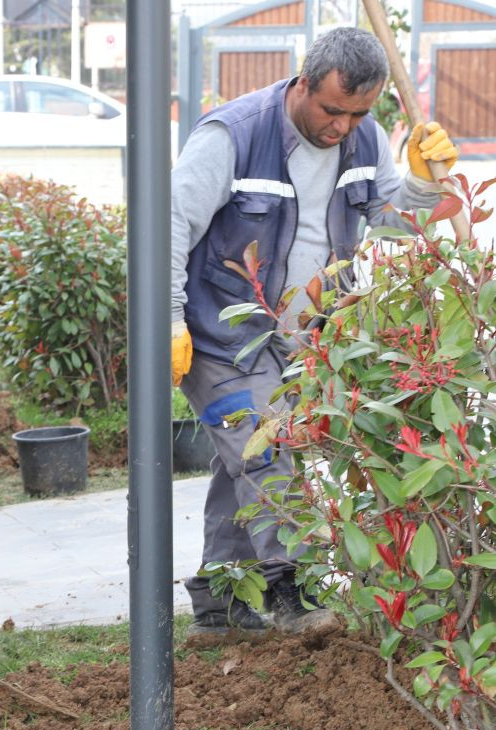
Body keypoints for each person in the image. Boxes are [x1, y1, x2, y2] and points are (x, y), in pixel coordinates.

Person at [170, 27, 458, 639]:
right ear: (302, 83)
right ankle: (290, 589)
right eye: (332, 110)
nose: (341, 127)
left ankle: (219, 605)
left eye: (358, 114)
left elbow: (391, 221)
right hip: (221, 338)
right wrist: (169, 320)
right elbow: (165, 226)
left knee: (240, 461)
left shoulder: (364, 139)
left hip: (302, 342)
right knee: (269, 450)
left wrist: (422, 182)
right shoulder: (234, 136)